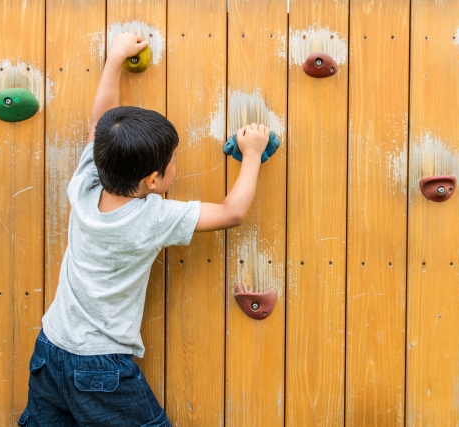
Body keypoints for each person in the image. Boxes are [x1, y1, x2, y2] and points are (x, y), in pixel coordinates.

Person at [18, 32, 270, 426]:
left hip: (50, 348)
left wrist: (115, 58)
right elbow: (231, 212)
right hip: (99, 368)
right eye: (173, 161)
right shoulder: (152, 218)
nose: (175, 165)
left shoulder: (85, 184)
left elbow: (99, 123)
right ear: (153, 180)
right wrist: (252, 154)